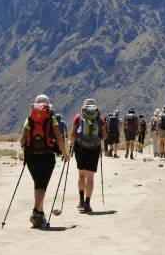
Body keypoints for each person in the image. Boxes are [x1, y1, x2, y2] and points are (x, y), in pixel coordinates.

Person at [20, 96, 70, 228]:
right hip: (47, 156)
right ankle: (35, 211)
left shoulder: (29, 119)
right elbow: (59, 139)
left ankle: (40, 215)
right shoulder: (51, 118)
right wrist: (65, 153)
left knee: (38, 184)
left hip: (31, 156)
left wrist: (27, 151)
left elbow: (22, 140)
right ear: (48, 106)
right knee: (42, 185)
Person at [71, 98, 106, 214]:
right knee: (90, 177)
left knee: (81, 174)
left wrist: (72, 144)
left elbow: (72, 134)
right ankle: (87, 204)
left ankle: (81, 201)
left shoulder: (78, 117)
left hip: (80, 147)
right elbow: (104, 135)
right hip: (94, 149)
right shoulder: (99, 118)